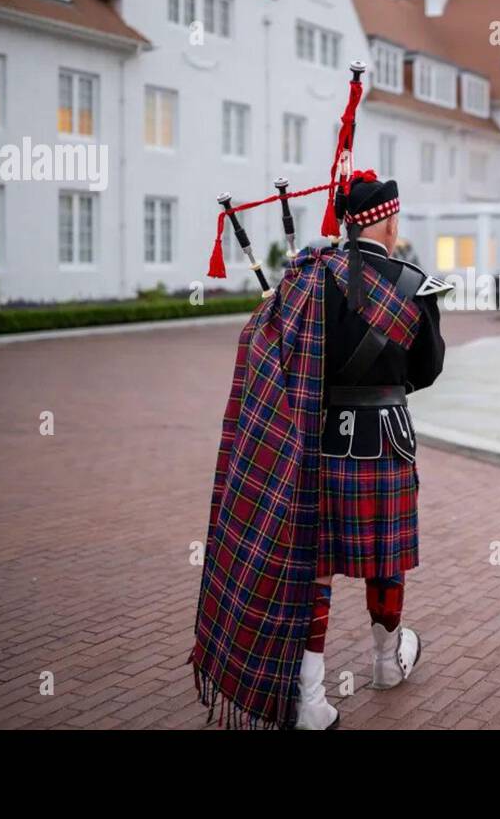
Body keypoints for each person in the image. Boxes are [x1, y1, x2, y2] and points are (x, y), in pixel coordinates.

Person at [190, 171, 449, 730]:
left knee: (317, 568)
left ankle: (310, 700)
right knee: (388, 558)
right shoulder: (413, 283)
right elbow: (427, 370)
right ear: (386, 220)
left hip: (324, 442)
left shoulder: (310, 279)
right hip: (386, 442)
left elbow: (273, 350)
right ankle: (385, 663)